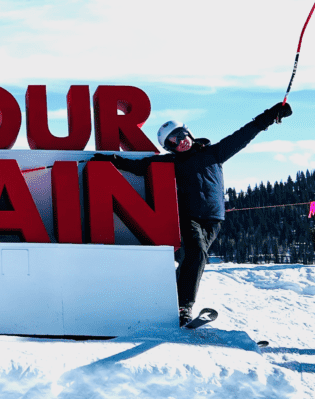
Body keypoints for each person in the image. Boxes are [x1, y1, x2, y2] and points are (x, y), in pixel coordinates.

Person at [92, 101, 292, 326]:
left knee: (194, 258)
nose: (181, 141)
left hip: (214, 220)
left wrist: (272, 114)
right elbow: (140, 166)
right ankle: (183, 306)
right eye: (173, 141)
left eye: (181, 135)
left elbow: (245, 134)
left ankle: (173, 300)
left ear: (188, 132)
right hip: (189, 218)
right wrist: (110, 160)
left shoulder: (214, 153)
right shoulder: (172, 162)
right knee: (196, 253)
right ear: (170, 148)